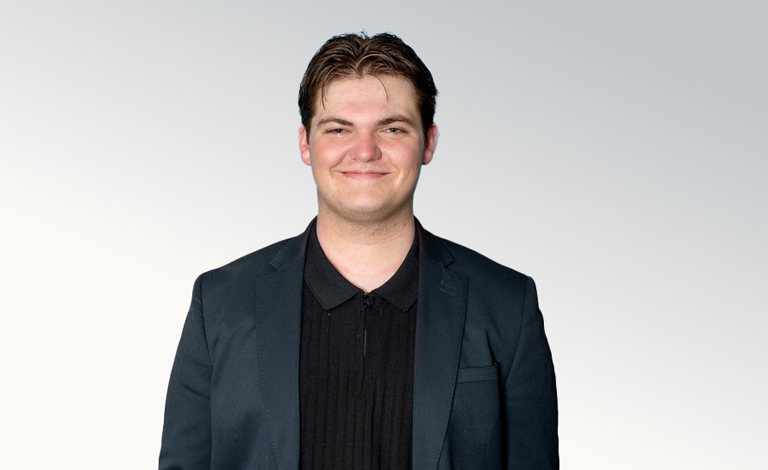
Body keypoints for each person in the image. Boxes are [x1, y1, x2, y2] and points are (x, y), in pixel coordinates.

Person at [159, 32, 558, 470]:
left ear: (428, 142)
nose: (365, 151)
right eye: (338, 129)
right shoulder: (220, 303)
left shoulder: (507, 305)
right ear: (305, 144)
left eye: (392, 128)